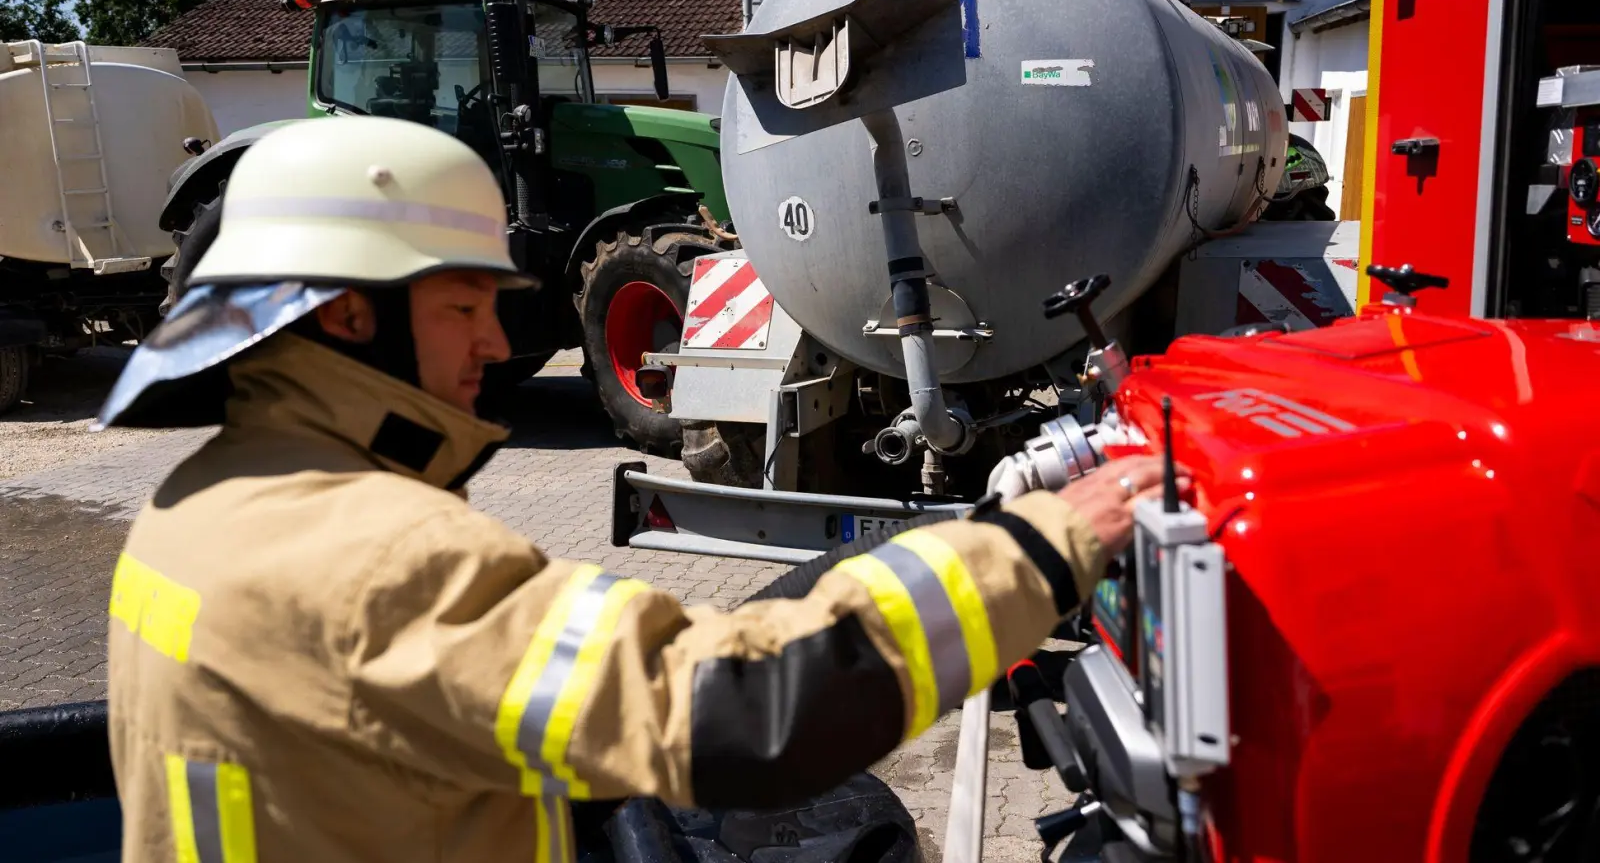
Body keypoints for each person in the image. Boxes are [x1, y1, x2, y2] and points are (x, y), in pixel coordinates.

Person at [97, 115, 1181, 863]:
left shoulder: (196, 506)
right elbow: (743, 717)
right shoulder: (373, 553)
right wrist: (1040, 550)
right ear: (348, 316)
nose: (495, 337)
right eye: (463, 304)